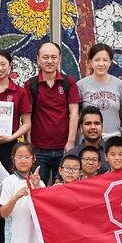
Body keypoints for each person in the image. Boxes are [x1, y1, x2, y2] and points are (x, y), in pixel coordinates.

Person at [27, 42, 80, 186]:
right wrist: (29, 144)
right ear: (38, 59)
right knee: (38, 189)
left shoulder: (68, 82)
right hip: (39, 149)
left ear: (59, 59)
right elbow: (27, 117)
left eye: (53, 57)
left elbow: (74, 113)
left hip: (63, 147)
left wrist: (70, 142)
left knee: (64, 189)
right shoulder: (31, 84)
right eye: (45, 57)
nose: (49, 61)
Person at [76, 43, 122, 140]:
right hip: (88, 140)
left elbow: (120, 113)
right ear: (90, 62)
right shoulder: (81, 85)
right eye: (97, 60)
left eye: (105, 60)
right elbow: (76, 116)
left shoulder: (119, 85)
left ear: (110, 62)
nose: (101, 64)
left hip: (112, 140)